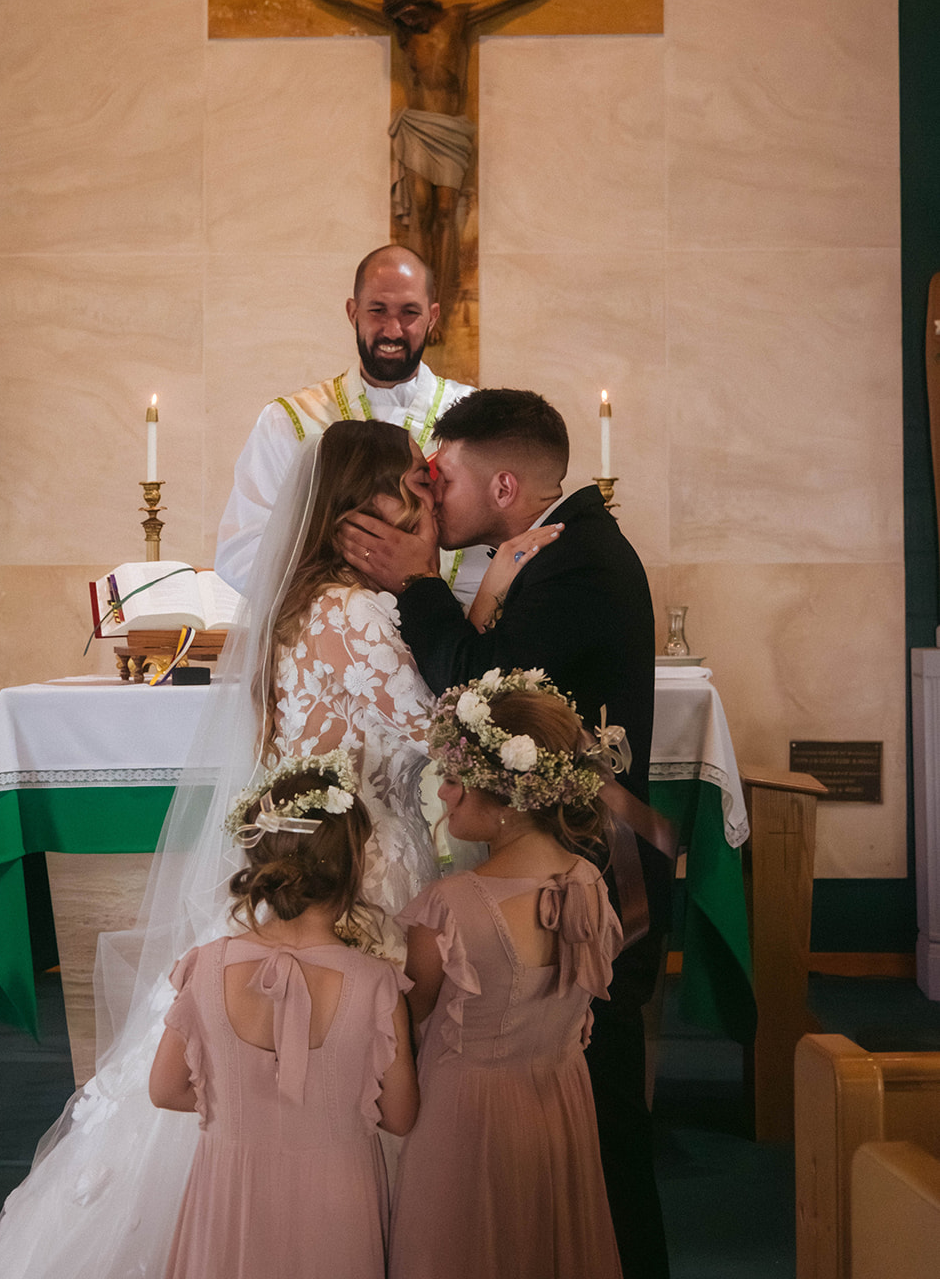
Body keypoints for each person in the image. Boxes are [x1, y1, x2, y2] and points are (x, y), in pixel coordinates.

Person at [0, 420, 543, 1279]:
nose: (432, 492)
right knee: (337, 1084)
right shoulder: (356, 612)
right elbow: (448, 733)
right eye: (416, 479)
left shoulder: (309, 603)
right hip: (358, 878)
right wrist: (484, 600)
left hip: (325, 857)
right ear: (369, 506)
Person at [339, 388, 671, 1279]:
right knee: (565, 1106)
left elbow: (479, 690)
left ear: (504, 485)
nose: (427, 493)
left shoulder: (579, 562)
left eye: (440, 477)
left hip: (593, 872)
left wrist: (414, 582)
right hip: (565, 864)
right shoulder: (559, 550)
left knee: (598, 1113)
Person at [390, 672, 624, 1279]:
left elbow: (408, 1023)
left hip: (466, 1123)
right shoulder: (591, 884)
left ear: (504, 797)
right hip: (559, 1108)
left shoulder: (449, 906)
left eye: (454, 779)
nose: (443, 794)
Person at [150, 754, 417, 1279]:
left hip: (231, 1193)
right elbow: (400, 1117)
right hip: (337, 1199)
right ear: (353, 867)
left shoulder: (205, 968)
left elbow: (165, 1091)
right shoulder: (376, 984)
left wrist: (238, 1106)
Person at [265, 0, 603, 323]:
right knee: (421, 213)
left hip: (451, 133)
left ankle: (437, 302)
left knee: (446, 214)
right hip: (417, 129)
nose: (408, 22)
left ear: (423, 1)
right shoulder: (402, 30)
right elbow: (344, 0)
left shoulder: (457, 19)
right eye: (400, 18)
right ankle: (418, 303)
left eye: (411, 13)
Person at [214, 242, 488, 607]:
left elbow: (498, 538)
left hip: (452, 636)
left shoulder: (475, 416)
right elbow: (241, 552)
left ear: (433, 316)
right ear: (352, 312)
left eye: (409, 313)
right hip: (335, 639)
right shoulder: (290, 420)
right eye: (378, 311)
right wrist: (351, 599)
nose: (393, 329)